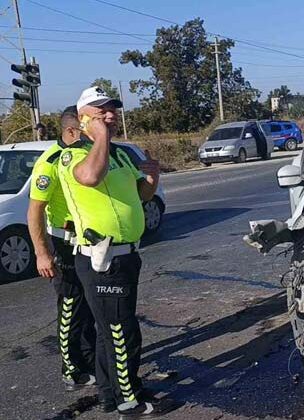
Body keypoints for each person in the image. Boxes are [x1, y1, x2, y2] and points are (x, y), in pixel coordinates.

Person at [56, 86, 171, 418]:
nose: (110, 116)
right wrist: (99, 136)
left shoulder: (120, 154)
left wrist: (152, 174)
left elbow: (144, 195)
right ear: (83, 118)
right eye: (101, 111)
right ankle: (128, 400)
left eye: (113, 111)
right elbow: (90, 177)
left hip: (126, 255)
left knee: (111, 332)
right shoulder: (74, 154)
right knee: (122, 332)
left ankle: (113, 393)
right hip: (100, 257)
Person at [27, 106, 97, 392]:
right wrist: (42, 253)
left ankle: (91, 359)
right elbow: (35, 211)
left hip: (87, 242)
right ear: (71, 130)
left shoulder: (84, 157)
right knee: (70, 306)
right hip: (64, 243)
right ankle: (71, 368)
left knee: (90, 305)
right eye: (85, 128)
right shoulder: (50, 162)